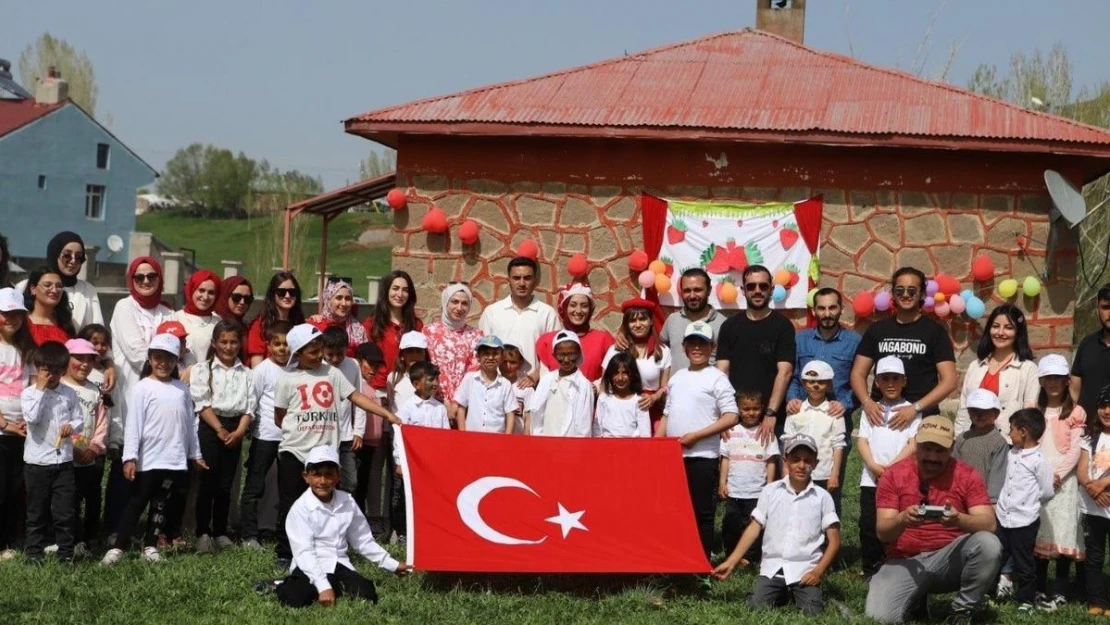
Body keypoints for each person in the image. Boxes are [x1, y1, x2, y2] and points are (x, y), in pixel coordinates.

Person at [273, 324, 399, 568]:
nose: (319, 354)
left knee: (327, 501)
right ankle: (286, 552)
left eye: (320, 348)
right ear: (297, 353)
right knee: (291, 503)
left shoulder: (332, 373)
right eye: (312, 351)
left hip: (325, 453)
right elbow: (280, 415)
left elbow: (357, 397)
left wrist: (387, 414)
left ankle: (326, 548)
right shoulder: (287, 379)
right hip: (294, 451)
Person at [864, 416, 1001, 624]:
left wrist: (959, 520)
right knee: (880, 617)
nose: (933, 457)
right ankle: (916, 600)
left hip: (949, 559)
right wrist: (902, 519)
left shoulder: (967, 474)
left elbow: (989, 523)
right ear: (916, 444)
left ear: (952, 447)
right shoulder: (893, 475)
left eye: (941, 451)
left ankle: (963, 611)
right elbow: (883, 532)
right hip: (904, 561)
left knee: (989, 544)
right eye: (927, 448)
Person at [101, 334, 206, 565]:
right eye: (158, 358)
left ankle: (150, 545)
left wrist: (195, 455)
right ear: (150, 358)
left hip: (174, 460)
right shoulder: (142, 388)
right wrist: (130, 457)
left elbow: (189, 426)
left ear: (176, 360)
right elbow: (134, 425)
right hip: (148, 460)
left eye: (169, 359)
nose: (163, 364)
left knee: (161, 505)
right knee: (137, 503)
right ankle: (118, 547)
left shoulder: (182, 389)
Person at [712, 433, 840, 616]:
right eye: (795, 460)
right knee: (755, 607)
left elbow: (834, 541)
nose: (801, 465)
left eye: (807, 460)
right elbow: (754, 528)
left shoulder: (823, 497)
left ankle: (797, 592)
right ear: (786, 461)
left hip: (805, 569)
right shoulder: (770, 491)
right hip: (773, 567)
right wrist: (731, 561)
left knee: (813, 612)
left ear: (815, 463)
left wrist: (818, 572)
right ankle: (780, 591)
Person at [275, 445, 410, 608]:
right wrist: (322, 586)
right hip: (310, 564)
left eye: (328, 475)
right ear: (306, 477)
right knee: (294, 599)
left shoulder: (348, 502)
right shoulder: (300, 509)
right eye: (317, 475)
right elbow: (304, 552)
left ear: (338, 476)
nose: (322, 481)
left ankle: (332, 586)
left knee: (367, 595)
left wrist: (392, 564)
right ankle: (280, 584)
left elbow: (363, 541)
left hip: (337, 562)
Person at [659, 320, 739, 560]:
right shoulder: (676, 377)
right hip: (674, 456)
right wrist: (656, 445)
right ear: (684, 347)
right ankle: (676, 558)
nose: (697, 348)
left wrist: (697, 436)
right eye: (692, 343)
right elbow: (667, 415)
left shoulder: (717, 378)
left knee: (702, 512)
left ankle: (700, 563)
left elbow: (732, 416)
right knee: (674, 511)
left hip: (702, 457)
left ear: (711, 347)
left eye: (702, 344)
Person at [852, 267, 958, 433]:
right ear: (893, 294)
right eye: (900, 290)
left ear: (922, 294)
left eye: (912, 290)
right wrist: (867, 402)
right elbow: (858, 373)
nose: (906, 294)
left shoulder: (935, 332)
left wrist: (915, 408)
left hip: (922, 417)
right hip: (882, 416)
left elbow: (950, 380)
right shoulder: (877, 330)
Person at [190, 320, 252, 554]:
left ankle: (221, 531)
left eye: (233, 342)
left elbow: (249, 407)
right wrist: (218, 429)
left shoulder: (247, 373)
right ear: (214, 343)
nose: (228, 347)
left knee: (226, 483)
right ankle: (203, 532)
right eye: (223, 342)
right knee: (208, 481)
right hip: (211, 425)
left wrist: (238, 431)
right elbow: (202, 403)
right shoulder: (202, 370)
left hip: (235, 427)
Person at [785, 288, 858, 485]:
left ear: (841, 309)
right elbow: (792, 375)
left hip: (835, 418)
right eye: (821, 308)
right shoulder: (800, 339)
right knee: (796, 480)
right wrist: (792, 398)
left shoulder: (854, 342)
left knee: (831, 481)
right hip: (802, 417)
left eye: (832, 308)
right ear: (813, 311)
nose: (827, 313)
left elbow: (858, 381)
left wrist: (845, 403)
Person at [21, 341, 84, 564]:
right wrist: (40, 389)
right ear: (38, 369)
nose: (51, 376)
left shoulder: (69, 394)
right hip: (37, 462)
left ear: (63, 371)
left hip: (63, 461)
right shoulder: (29, 393)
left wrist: (72, 427)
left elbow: (79, 418)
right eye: (46, 370)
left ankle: (65, 554)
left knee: (64, 511)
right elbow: (31, 418)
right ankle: (34, 554)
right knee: (36, 511)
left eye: (56, 371)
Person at [717, 265, 796, 442]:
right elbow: (721, 372)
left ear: (772, 289)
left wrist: (770, 412)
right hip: (734, 418)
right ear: (743, 291)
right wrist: (725, 413)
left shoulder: (783, 326)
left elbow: (785, 372)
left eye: (763, 286)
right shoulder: (730, 326)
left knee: (771, 468)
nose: (757, 291)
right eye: (751, 286)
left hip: (772, 418)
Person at [857, 356, 919, 578]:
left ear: (904, 381)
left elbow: (913, 444)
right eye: (885, 378)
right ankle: (870, 568)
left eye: (895, 378)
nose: (890, 383)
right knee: (869, 523)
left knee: (899, 523)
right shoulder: (871, 410)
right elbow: (862, 440)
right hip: (872, 477)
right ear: (876, 382)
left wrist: (891, 469)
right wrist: (873, 466)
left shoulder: (911, 410)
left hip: (901, 478)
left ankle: (896, 564)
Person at [1033, 354, 1086, 605]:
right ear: (1041, 381)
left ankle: (1061, 589)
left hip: (1064, 482)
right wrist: (1041, 475)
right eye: (1048, 378)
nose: (1053, 383)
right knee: (1041, 531)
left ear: (1066, 381)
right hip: (1038, 478)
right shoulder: (1035, 411)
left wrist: (1058, 475)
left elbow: (1076, 449)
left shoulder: (1076, 412)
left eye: (1058, 378)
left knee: (1063, 532)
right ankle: (1039, 587)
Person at [996, 408, 1055, 611]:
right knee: (1000, 554)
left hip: (1024, 520)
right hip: (1004, 516)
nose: (1009, 433)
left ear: (1023, 431)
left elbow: (1047, 491)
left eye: (1011, 429)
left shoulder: (1039, 461)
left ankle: (1026, 599)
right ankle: (998, 589)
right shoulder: (1011, 453)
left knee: (1024, 561)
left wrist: (1028, 504)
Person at [240, 320, 292, 550]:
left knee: (288, 488)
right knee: (255, 486)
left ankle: (284, 532)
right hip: (265, 436)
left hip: (292, 438)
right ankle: (249, 535)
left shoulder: (297, 367)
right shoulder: (262, 371)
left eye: (287, 344)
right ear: (269, 346)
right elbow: (252, 401)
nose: (283, 349)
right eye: (277, 344)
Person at [954, 304, 1039, 437]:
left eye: (1008, 327)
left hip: (1007, 444)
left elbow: (1029, 413)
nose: (1000, 332)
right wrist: (958, 439)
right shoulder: (975, 366)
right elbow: (963, 408)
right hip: (971, 442)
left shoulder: (1028, 369)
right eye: (995, 326)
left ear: (1018, 332)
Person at [110, 256, 174, 428]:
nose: (146, 281)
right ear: (131, 280)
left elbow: (180, 347)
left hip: (164, 389)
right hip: (133, 385)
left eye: (151, 276)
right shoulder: (124, 307)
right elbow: (136, 351)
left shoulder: (167, 311)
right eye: (139, 277)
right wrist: (168, 368)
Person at [392, 361, 450, 542]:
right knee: (408, 499)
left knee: (431, 499)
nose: (435, 383)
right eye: (431, 379)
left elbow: (446, 437)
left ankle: (430, 533)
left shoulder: (440, 408)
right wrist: (400, 462)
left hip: (433, 464)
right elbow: (399, 436)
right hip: (412, 463)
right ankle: (405, 534)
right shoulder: (408, 407)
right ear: (416, 383)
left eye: (437, 379)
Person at [60, 338, 108, 560]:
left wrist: (95, 447)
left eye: (89, 360)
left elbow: (101, 421)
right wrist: (77, 447)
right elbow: (58, 422)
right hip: (65, 456)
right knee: (69, 502)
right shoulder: (59, 387)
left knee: (92, 496)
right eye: (78, 358)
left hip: (90, 456)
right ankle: (70, 541)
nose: (84, 364)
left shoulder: (95, 391)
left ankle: (90, 538)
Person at [718, 388, 778, 561]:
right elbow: (726, 459)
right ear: (738, 409)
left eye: (755, 409)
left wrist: (770, 484)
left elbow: (771, 461)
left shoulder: (766, 433)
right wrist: (723, 482)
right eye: (746, 409)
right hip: (734, 490)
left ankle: (749, 557)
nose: (751, 413)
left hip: (756, 491)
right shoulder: (730, 431)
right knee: (730, 523)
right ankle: (730, 554)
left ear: (762, 408)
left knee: (753, 524)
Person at [478, 257, 560, 383]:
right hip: (496, 388)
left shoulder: (547, 314)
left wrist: (535, 376)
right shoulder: (492, 312)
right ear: (508, 280)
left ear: (535, 281)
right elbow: (482, 351)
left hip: (534, 389)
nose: (522, 283)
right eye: (516, 278)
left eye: (527, 278)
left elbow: (555, 354)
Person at [783, 360, 846, 516]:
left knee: (823, 514)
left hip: (823, 473)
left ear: (829, 385)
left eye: (821, 382)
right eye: (811, 382)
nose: (815, 386)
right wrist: (785, 471)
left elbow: (838, 445)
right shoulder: (796, 410)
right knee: (798, 512)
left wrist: (835, 474)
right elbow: (787, 440)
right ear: (804, 384)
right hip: (798, 472)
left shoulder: (834, 412)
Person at [0, 287, 33, 561]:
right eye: (5, 314)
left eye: (17, 314)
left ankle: (11, 539)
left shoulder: (26, 350)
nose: (11, 319)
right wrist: (4, 423)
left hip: (21, 430)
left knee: (15, 487)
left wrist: (28, 420)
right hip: (2, 429)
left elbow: (33, 387)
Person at [15, 232, 104, 333]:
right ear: (55, 254)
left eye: (79, 257)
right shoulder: (25, 286)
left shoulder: (88, 290)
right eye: (67, 255)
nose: (73, 261)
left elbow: (97, 332)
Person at [604, 298, 670, 432]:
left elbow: (665, 387)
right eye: (632, 320)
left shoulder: (663, 351)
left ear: (651, 321)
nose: (638, 324)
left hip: (651, 411)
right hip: (621, 414)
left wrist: (654, 397)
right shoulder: (615, 350)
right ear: (626, 324)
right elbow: (604, 385)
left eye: (642, 319)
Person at [424, 283, 483, 419]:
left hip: (465, 407)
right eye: (454, 302)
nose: (459, 308)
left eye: (464, 303)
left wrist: (457, 403)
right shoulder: (429, 332)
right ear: (445, 302)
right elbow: (427, 367)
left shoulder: (476, 336)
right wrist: (443, 401)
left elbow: (473, 372)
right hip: (433, 402)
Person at [536, 281, 614, 382]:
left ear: (590, 309)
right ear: (564, 308)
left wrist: (596, 387)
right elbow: (544, 379)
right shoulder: (547, 341)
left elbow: (611, 373)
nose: (578, 310)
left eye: (584, 305)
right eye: (573, 305)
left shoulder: (603, 339)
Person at [352, 342, 392, 534]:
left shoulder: (370, 387)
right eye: (371, 364)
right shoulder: (355, 384)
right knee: (357, 487)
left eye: (377, 366)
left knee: (365, 486)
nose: (374, 370)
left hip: (372, 445)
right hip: (359, 445)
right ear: (359, 361)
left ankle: (362, 525)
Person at [525, 330, 595, 437]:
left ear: (578, 354)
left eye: (571, 355)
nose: (566, 360)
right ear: (554, 355)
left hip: (571, 447)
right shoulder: (547, 380)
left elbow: (584, 426)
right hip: (546, 442)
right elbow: (538, 414)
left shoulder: (583, 385)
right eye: (561, 355)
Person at [1078, 384, 1110, 615]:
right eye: (1103, 406)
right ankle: (1096, 600)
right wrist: (1092, 488)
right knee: (1094, 554)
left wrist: (1104, 484)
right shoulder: (1089, 436)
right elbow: (1081, 469)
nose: (1107, 411)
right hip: (1092, 507)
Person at [362, 271, 422, 391]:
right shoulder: (371, 324)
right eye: (395, 288)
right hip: (378, 388)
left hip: (408, 388)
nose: (400, 294)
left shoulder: (416, 325)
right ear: (386, 291)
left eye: (405, 290)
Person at [657, 268, 726, 371]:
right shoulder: (672, 320)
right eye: (687, 291)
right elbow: (658, 350)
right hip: (676, 386)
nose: (692, 296)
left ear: (709, 290)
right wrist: (625, 334)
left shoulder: (724, 324)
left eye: (697, 290)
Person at [321, 327, 363, 493]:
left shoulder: (353, 365)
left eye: (340, 354)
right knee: (325, 480)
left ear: (347, 348)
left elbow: (359, 400)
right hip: (323, 434)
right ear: (323, 349)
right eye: (330, 354)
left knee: (350, 482)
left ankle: (344, 516)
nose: (335, 359)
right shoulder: (319, 366)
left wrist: (358, 431)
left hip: (346, 436)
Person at [952, 389, 1008, 504]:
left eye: (985, 411)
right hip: (959, 496)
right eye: (974, 411)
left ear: (996, 414)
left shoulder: (998, 442)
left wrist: (992, 502)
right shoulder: (962, 438)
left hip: (983, 500)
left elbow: (997, 476)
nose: (979, 415)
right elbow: (953, 467)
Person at [454, 336, 517, 434]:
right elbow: (461, 407)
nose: (491, 358)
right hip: (472, 436)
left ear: (502, 357)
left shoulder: (505, 384)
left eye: (495, 354)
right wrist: (463, 434)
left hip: (497, 439)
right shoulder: (470, 379)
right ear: (478, 357)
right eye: (486, 354)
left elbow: (510, 413)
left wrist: (507, 438)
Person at [247, 271, 306, 367]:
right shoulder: (260, 324)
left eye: (292, 292)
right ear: (272, 294)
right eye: (281, 292)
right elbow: (257, 366)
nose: (287, 296)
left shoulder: (300, 323)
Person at [1072, 284, 1110, 421]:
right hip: (1086, 432)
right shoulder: (1087, 344)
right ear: (1097, 310)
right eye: (1106, 307)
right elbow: (1074, 390)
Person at [173, 269, 222, 372]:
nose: (205, 297)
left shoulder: (219, 322)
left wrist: (194, 372)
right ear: (192, 289)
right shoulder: (175, 318)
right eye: (201, 290)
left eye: (211, 292)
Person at [593, 351, 651, 438]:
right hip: (606, 446)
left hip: (630, 447)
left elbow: (645, 434)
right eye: (616, 373)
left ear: (632, 375)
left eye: (625, 373)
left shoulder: (639, 401)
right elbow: (597, 429)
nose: (620, 378)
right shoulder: (603, 399)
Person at [308, 279, 367, 358]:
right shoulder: (314, 325)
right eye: (339, 298)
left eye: (348, 298)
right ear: (328, 300)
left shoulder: (357, 328)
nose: (344, 303)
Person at [22, 266, 75, 345]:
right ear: (33, 289)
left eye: (59, 286)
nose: (54, 290)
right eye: (47, 285)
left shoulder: (65, 323)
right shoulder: (22, 323)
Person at [387, 332, 429, 414]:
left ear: (425, 354)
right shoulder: (393, 377)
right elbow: (390, 405)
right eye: (410, 351)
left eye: (419, 351)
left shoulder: (431, 378)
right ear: (402, 354)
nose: (415, 355)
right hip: (400, 425)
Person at [500, 344, 532, 435]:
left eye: (513, 362)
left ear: (520, 363)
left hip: (517, 440)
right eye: (504, 362)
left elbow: (528, 419)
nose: (508, 366)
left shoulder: (526, 389)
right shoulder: (492, 385)